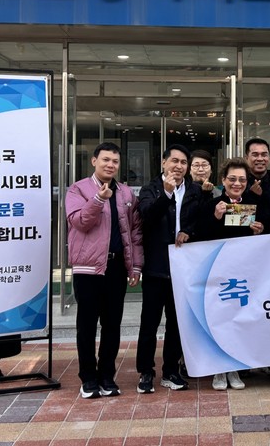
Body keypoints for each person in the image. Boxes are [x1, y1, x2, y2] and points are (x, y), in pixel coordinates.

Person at [65, 142, 143, 399]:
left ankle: (107, 376)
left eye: (115, 161)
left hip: (116, 267)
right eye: (106, 160)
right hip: (87, 269)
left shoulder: (126, 193)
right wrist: (99, 199)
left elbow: (135, 232)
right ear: (94, 161)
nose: (110, 165)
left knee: (112, 325)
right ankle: (88, 378)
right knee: (86, 325)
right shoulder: (78, 189)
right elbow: (79, 222)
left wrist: (135, 266)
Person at [203, 157, 270, 390]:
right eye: (232, 179)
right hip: (218, 272)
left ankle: (235, 367)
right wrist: (215, 217)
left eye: (242, 180)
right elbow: (200, 236)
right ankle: (218, 369)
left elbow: (269, 230)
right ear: (223, 180)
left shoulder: (255, 203)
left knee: (239, 320)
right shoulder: (212, 203)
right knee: (218, 319)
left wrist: (260, 229)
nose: (237, 184)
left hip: (245, 273)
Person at [136, 144, 202, 394]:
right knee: (149, 323)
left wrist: (189, 232)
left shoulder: (195, 191)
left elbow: (200, 221)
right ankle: (146, 371)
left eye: (184, 162)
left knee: (176, 323)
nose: (179, 166)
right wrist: (166, 192)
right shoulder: (150, 189)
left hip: (183, 268)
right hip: (156, 267)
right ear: (164, 163)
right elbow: (147, 216)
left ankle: (171, 371)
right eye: (174, 161)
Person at [245, 137, 270, 207]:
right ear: (246, 158)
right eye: (255, 155)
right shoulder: (240, 181)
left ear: (269, 158)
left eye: (264, 155)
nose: (260, 159)